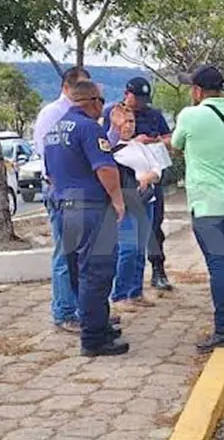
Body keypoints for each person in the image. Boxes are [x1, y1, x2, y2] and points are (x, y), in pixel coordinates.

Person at [43, 80, 129, 357]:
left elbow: (50, 174)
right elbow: (105, 168)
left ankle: (98, 325)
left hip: (65, 208)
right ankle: (94, 339)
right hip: (90, 209)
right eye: (101, 101)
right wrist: (117, 199)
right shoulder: (89, 128)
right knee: (98, 273)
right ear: (92, 101)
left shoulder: (54, 130)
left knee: (80, 273)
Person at [171, 66, 224, 353]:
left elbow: (176, 146)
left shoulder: (190, 116)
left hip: (207, 206)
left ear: (197, 91)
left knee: (219, 266)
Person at [103, 77, 175, 292]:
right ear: (127, 94)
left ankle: (156, 271)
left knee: (153, 228)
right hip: (126, 184)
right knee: (128, 242)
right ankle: (123, 288)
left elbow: (169, 140)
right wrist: (132, 142)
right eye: (138, 98)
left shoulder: (153, 115)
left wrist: (152, 141)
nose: (141, 103)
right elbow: (106, 143)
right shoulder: (112, 112)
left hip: (150, 177)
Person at [32, 66, 89, 333]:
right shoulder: (52, 113)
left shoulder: (82, 114)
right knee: (65, 256)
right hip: (62, 193)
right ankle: (65, 312)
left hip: (79, 193)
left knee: (79, 257)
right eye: (81, 86)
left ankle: (83, 310)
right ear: (67, 87)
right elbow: (48, 155)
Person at [106, 104, 162, 311]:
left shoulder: (140, 146)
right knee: (128, 249)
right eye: (124, 121)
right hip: (127, 203)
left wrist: (149, 177)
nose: (128, 126)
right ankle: (119, 295)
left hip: (146, 201)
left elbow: (157, 169)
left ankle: (135, 292)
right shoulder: (111, 147)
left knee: (139, 250)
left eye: (131, 121)